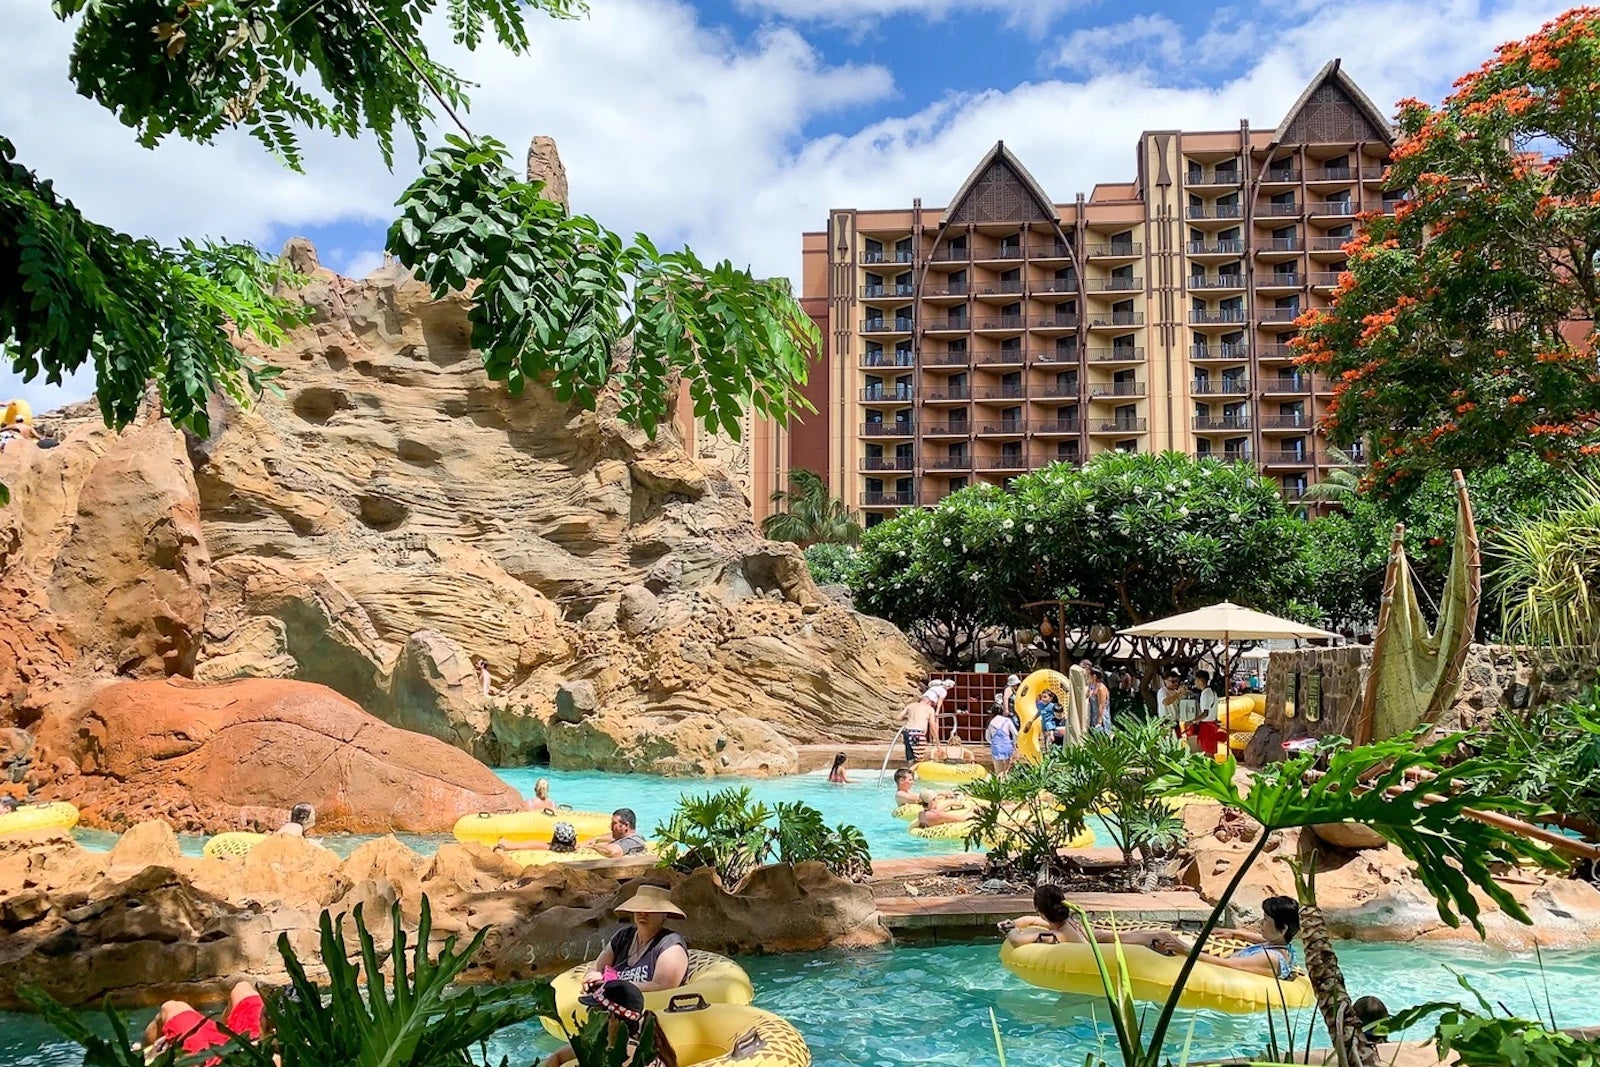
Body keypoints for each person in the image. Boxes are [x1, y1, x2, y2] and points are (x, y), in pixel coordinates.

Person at [1130, 895, 1301, 979]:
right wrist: (1235, 933)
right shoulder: (1282, 946)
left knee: (1162, 937)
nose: (1261, 924)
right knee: (1163, 935)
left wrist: (1185, 950)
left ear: (1282, 928)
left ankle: (1105, 937)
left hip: (1218, 973)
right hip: (1218, 969)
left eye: (1266, 920)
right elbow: (1263, 940)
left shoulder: (1270, 958)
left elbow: (1227, 964)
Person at [542, 979, 679, 1067]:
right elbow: (558, 1056)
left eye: (593, 1011)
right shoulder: (609, 1046)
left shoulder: (628, 1056)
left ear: (612, 1018)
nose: (589, 1017)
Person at [581, 885, 690, 992]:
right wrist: (592, 977)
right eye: (639, 907)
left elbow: (663, 987)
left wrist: (615, 985)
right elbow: (597, 968)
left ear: (664, 914)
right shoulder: (622, 937)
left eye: (650, 909)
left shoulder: (671, 945)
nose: (643, 913)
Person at [140, 981, 267, 1064]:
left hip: (225, 1060)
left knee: (171, 1007)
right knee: (242, 988)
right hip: (256, 1039)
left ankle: (140, 1058)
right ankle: (224, 1034)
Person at [998, 885, 1126, 947]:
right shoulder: (1069, 922)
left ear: (1040, 911)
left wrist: (1010, 930)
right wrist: (1013, 923)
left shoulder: (1056, 936)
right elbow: (1031, 920)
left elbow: (1016, 941)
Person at [1188, 669, 1224, 756]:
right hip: (1211, 724)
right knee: (1209, 751)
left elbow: (1205, 713)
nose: (1195, 682)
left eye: (1196, 680)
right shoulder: (1212, 692)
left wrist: (1192, 721)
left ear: (1199, 680)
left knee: (1207, 752)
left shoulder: (1206, 693)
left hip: (1207, 726)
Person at [899, 693, 937, 765]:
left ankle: (909, 773)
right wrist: (938, 744)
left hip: (906, 731)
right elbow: (932, 727)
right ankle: (915, 774)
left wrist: (908, 718)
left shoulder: (910, 706)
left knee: (910, 758)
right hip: (917, 733)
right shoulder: (929, 708)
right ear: (928, 702)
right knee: (919, 759)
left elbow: (899, 717)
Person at [985, 703, 1018, 773]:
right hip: (1007, 745)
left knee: (998, 771)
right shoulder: (1007, 720)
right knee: (1006, 770)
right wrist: (1014, 743)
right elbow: (1015, 734)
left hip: (996, 747)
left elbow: (987, 737)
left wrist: (993, 743)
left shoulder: (991, 722)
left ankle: (999, 782)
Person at [1085, 665, 1113, 735]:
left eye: (1089, 676)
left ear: (1094, 676)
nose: (1088, 678)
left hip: (1101, 719)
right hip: (1093, 717)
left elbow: (1102, 706)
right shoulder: (1093, 687)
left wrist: (1099, 722)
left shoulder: (1101, 688)